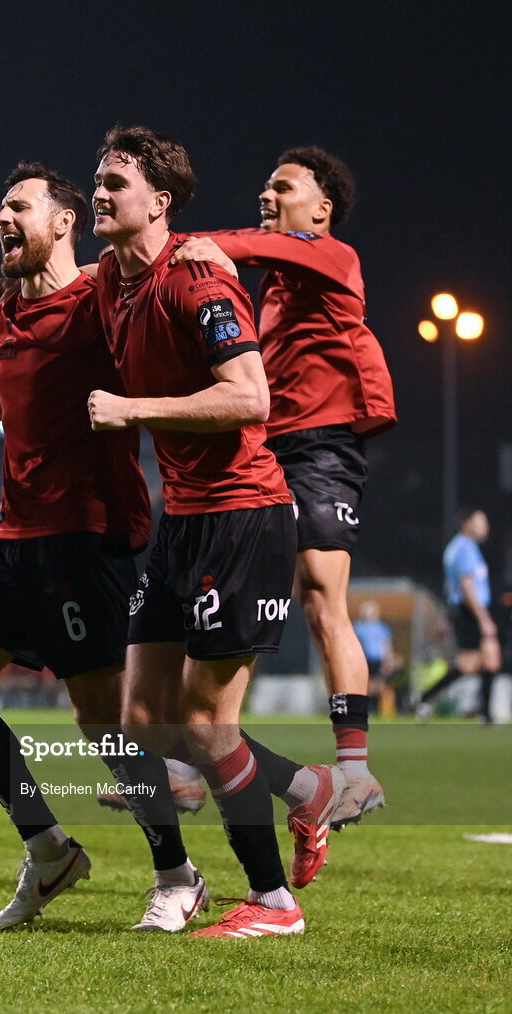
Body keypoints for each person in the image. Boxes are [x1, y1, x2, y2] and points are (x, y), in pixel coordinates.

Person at [0, 163, 212, 933]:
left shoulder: (102, 293)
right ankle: (49, 847)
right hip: (13, 537)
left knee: (102, 722)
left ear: (62, 222)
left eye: (17, 205)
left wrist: (210, 252)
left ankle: (177, 875)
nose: (1, 215)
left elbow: (163, 256)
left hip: (90, 536)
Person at [89, 125, 346, 939]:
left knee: (203, 726)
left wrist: (135, 410)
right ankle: (297, 798)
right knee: (139, 726)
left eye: (115, 183)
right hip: (183, 520)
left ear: (158, 203)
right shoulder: (109, 281)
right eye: (95, 181)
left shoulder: (197, 279)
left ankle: (272, 903)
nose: (99, 193)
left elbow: (249, 399)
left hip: (242, 514)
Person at [174, 147, 397, 828]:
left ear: (320, 208)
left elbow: (233, 246)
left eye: (283, 187)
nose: (266, 195)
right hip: (268, 451)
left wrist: (173, 244)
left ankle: (353, 773)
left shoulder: (332, 255)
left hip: (322, 445)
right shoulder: (270, 290)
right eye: (266, 186)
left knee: (321, 594)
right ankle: (191, 761)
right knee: (247, 598)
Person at [416, 509, 499, 724]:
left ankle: (485, 714)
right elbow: (466, 585)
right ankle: (425, 699)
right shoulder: (464, 548)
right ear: (466, 523)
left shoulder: (459, 547)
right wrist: (483, 618)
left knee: (484, 660)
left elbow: (448, 586)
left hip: (464, 610)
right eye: (480, 521)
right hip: (470, 610)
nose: (485, 526)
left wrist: (447, 616)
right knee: (471, 663)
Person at [352, 600, 397, 716]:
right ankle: (366, 709)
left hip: (378, 660)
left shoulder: (382, 627)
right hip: (363, 660)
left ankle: (377, 709)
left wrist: (389, 659)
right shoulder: (358, 627)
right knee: (365, 686)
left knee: (378, 684)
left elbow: (386, 644)